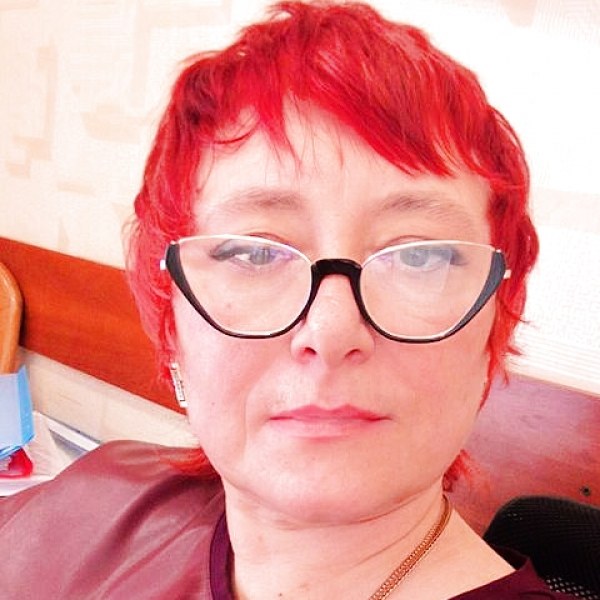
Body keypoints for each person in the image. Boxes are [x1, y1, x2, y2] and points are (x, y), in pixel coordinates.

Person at [0, 2, 578, 598]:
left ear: (493, 327)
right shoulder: (100, 497)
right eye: (253, 253)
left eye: (419, 257)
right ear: (172, 326)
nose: (331, 331)